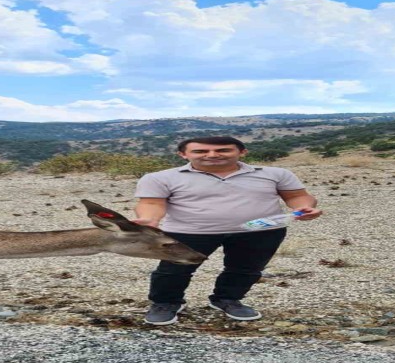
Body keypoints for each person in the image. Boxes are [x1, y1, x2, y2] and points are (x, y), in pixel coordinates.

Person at [133, 136, 322, 325]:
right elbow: (151, 203)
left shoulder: (276, 174)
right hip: (189, 232)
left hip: (261, 231)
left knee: (246, 269)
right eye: (200, 151)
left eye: (223, 150)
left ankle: (228, 299)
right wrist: (150, 219)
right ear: (183, 154)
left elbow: (297, 196)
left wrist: (304, 207)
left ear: (242, 152)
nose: (212, 155)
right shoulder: (159, 178)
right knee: (173, 270)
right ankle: (165, 303)